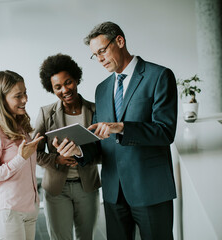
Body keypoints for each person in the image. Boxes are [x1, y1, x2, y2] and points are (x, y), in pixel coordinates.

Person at [54, 22, 178, 239]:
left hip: (150, 189)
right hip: (114, 192)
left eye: (102, 51)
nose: (100, 59)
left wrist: (122, 127)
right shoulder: (102, 89)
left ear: (120, 41)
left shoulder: (159, 76)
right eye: (95, 55)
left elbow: (165, 131)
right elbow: (101, 141)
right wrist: (77, 151)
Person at [33, 53, 101, 240]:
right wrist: (57, 159)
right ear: (51, 89)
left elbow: (105, 151)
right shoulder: (46, 114)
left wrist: (82, 155)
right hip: (57, 191)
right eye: (58, 87)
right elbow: (34, 153)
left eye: (68, 82)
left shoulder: (96, 110)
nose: (65, 90)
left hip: (87, 187)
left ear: (76, 79)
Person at [0, 70, 44, 240]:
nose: (25, 100)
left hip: (29, 208)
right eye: (18, 96)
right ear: (1, 99)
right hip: (8, 211)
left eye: (25, 93)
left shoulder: (20, 126)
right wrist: (20, 159)